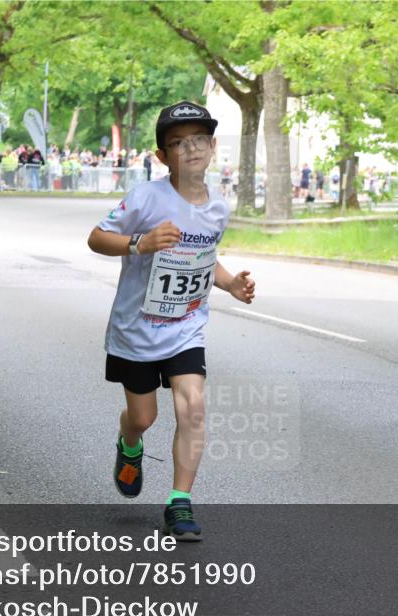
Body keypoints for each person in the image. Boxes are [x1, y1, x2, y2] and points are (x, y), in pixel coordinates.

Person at [86, 101, 256, 541]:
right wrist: (139, 243)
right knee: (144, 417)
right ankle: (129, 443)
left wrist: (230, 284)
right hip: (136, 331)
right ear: (163, 157)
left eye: (199, 139)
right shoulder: (147, 197)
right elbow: (97, 238)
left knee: (193, 406)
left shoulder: (218, 208)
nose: (191, 148)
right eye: (178, 143)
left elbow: (205, 259)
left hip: (186, 327)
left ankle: (179, 502)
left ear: (213, 146)